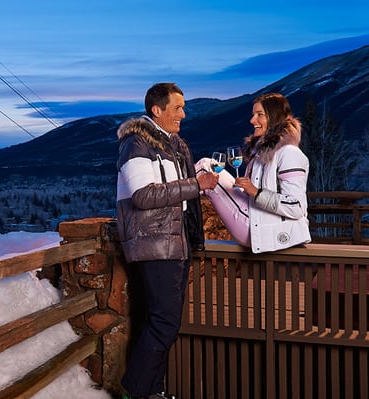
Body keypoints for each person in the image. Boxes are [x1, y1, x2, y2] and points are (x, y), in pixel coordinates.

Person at [116, 82, 218, 399]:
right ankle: (136, 392)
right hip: (154, 244)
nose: (183, 114)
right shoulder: (137, 144)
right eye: (177, 108)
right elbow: (144, 196)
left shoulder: (175, 145)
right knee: (165, 323)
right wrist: (195, 184)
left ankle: (153, 391)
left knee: (159, 322)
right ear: (157, 110)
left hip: (175, 243)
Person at [196, 92, 311, 253]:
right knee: (207, 174)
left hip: (259, 229)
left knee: (205, 166)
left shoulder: (289, 153)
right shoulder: (262, 152)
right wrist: (244, 188)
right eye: (253, 115)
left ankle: (170, 206)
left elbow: (296, 207)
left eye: (259, 115)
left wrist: (256, 192)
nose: (252, 120)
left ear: (274, 117)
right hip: (256, 221)